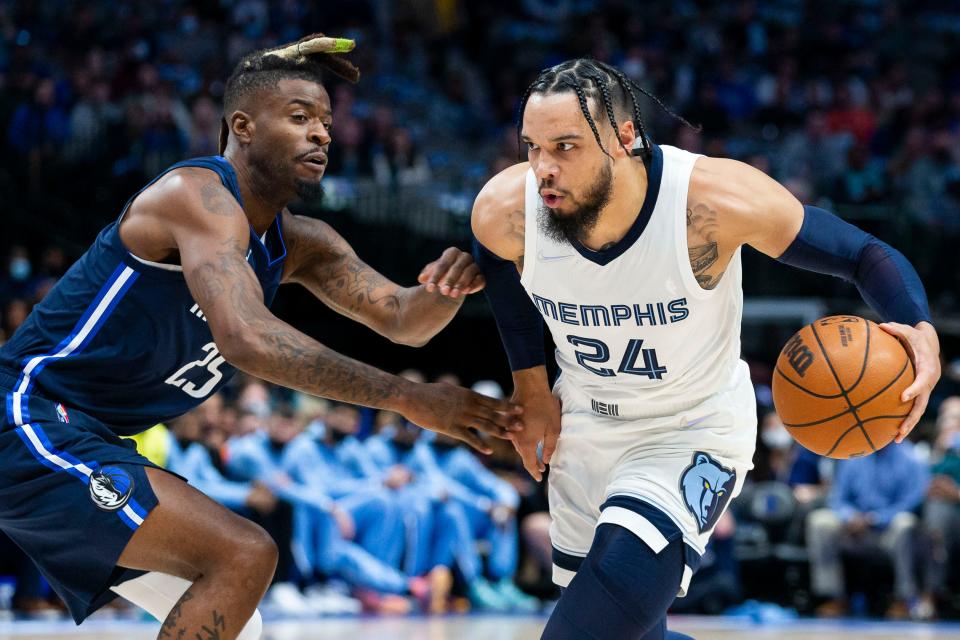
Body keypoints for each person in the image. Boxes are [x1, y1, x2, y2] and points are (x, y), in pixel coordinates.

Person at [0, 34, 521, 640]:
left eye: (327, 121)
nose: (322, 133)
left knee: (237, 616)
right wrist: (406, 398)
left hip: (90, 434)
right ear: (241, 126)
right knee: (244, 554)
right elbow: (247, 339)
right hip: (28, 417)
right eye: (300, 117)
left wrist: (455, 280)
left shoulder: (300, 243)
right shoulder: (193, 197)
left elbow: (404, 320)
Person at [471, 58, 941, 640]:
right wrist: (533, 388)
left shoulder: (710, 201)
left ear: (625, 138)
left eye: (564, 146)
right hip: (586, 424)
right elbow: (494, 261)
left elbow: (862, 254)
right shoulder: (508, 212)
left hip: (690, 430)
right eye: (532, 147)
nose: (542, 168)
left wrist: (919, 328)